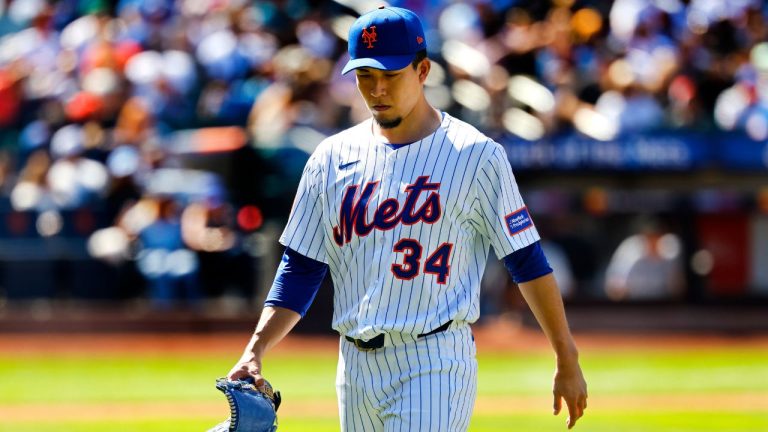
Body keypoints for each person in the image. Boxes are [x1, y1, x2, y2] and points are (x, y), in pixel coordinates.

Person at [227, 6, 587, 431]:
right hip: (354, 367)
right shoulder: (331, 158)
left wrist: (566, 356)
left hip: (434, 359)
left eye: (391, 75)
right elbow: (302, 266)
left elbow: (525, 259)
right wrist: (256, 348)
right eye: (365, 76)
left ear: (422, 70)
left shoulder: (476, 155)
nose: (377, 89)